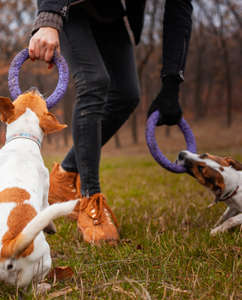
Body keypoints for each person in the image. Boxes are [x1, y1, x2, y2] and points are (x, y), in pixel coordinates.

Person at [29, 0, 192, 244]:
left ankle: (63, 176)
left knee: (126, 94)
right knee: (94, 81)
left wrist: (171, 83)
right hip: (71, 6)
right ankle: (90, 200)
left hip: (111, 12)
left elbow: (179, 11)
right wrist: (49, 19)